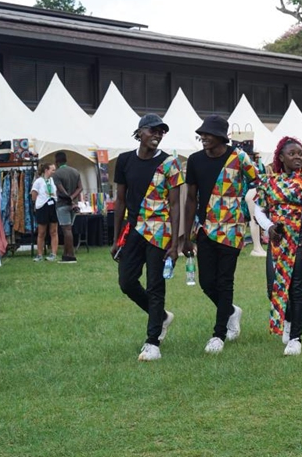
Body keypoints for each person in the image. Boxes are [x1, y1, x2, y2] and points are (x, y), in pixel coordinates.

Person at [183, 115, 260, 354]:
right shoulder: (195, 160)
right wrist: (185, 236)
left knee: (225, 281)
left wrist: (249, 205)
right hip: (205, 228)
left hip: (232, 229)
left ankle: (219, 335)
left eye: (207, 134)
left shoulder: (239, 157)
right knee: (207, 282)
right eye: (202, 134)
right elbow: (190, 199)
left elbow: (259, 181)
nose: (203, 138)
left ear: (220, 136)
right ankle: (230, 311)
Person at [111, 114, 183, 362]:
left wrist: (175, 243)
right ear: (139, 132)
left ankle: (153, 343)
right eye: (153, 130)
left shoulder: (170, 163)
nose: (158, 135)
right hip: (133, 230)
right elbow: (120, 200)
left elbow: (175, 205)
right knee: (127, 282)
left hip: (160, 230)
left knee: (155, 285)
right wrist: (116, 238)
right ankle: (161, 317)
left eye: (161, 132)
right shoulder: (124, 161)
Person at [253, 136, 302, 356]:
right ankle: (286, 320)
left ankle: (296, 338)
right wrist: (268, 227)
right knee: (273, 286)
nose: (297, 157)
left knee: (296, 287)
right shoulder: (269, 182)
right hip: (278, 235)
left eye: (300, 154)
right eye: (292, 154)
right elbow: (258, 209)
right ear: (281, 157)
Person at [52, 151, 82, 263]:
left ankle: (70, 255)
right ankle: (66, 254)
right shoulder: (75, 171)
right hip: (74, 204)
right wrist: (73, 198)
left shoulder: (57, 174)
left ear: (57, 161)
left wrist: (69, 198)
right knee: (69, 229)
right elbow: (80, 188)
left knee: (66, 230)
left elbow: (61, 189)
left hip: (63, 204)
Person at [30, 162, 58, 262]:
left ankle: (54, 253)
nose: (54, 172)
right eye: (52, 170)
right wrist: (38, 202)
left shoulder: (52, 180)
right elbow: (33, 195)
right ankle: (39, 254)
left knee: (53, 231)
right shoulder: (38, 181)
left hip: (52, 206)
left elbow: (54, 193)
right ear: (46, 170)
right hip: (42, 207)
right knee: (41, 232)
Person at [245, 150, 269, 257]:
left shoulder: (257, 165)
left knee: (255, 220)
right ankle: (256, 247)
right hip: (252, 192)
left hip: (255, 191)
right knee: (254, 220)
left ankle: (257, 247)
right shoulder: (250, 165)